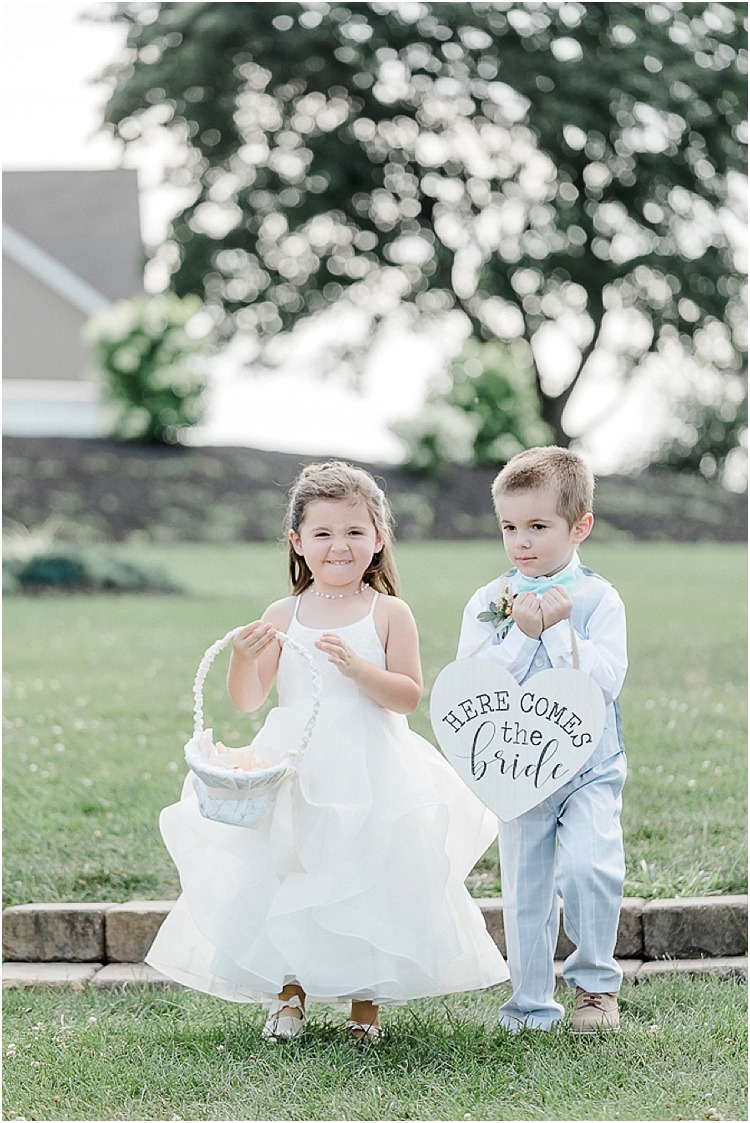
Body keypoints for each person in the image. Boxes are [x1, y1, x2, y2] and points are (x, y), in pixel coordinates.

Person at [147, 460, 508, 1043]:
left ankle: (365, 1004)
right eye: (322, 534)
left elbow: (407, 696)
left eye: (354, 533)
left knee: (368, 873)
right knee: (292, 868)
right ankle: (290, 993)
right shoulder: (283, 614)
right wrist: (243, 656)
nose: (338, 546)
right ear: (297, 541)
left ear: (379, 538)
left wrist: (359, 668)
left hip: (372, 764)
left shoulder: (389, 613)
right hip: (296, 764)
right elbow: (249, 699)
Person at [456, 446, 627, 1035]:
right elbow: (471, 679)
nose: (521, 541)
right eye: (509, 527)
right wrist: (523, 636)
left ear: (579, 527)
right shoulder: (489, 601)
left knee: (589, 867)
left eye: (538, 526)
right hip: (516, 764)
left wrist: (554, 633)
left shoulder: (599, 599)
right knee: (525, 884)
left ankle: (595, 986)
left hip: (588, 763)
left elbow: (604, 681)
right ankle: (530, 1005)